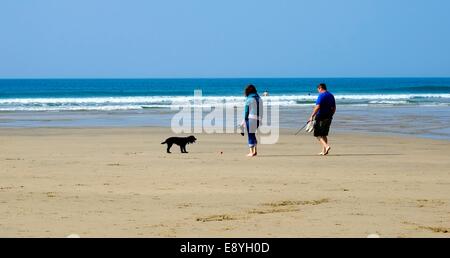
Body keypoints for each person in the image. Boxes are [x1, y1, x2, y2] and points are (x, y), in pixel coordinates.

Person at [308, 83, 336, 156]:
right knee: (324, 134)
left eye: (318, 89)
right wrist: (330, 115)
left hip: (321, 116)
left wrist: (311, 116)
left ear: (320, 88)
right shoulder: (331, 95)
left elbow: (318, 106)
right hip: (329, 116)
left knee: (317, 134)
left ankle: (327, 146)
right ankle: (324, 151)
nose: (318, 91)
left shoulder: (321, 95)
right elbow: (334, 108)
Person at [241, 85, 263, 157]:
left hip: (250, 118)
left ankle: (251, 152)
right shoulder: (259, 98)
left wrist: (245, 119)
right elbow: (261, 110)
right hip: (258, 119)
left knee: (250, 135)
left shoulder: (249, 99)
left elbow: (246, 111)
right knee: (253, 134)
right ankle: (255, 151)